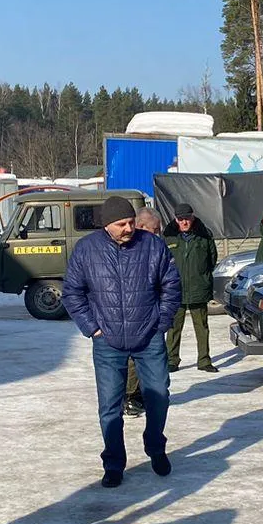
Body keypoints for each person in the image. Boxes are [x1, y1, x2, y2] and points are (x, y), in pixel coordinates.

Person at [63, 195, 180, 488]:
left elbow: (171, 286)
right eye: (121, 224)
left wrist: (161, 323)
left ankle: (156, 448)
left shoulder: (153, 246)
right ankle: (114, 462)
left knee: (159, 397)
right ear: (106, 225)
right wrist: (93, 329)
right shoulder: (87, 250)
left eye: (131, 222)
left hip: (148, 337)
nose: (129, 228)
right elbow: (72, 293)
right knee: (109, 407)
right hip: (107, 342)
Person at [124, 208, 170, 416]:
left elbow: (169, 283)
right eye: (155, 229)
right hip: (133, 318)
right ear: (141, 227)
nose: (158, 233)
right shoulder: (130, 251)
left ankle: (142, 394)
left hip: (154, 316)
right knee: (134, 360)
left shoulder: (157, 248)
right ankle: (129, 397)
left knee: (154, 362)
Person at [165, 203, 219, 373]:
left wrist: (202, 276)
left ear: (192, 217)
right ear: (176, 219)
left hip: (198, 287)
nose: (184, 222)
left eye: (187, 218)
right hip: (175, 289)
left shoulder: (204, 235)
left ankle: (204, 361)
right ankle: (171, 360)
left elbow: (212, 259)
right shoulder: (168, 236)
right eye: (181, 219)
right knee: (173, 327)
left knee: (201, 327)